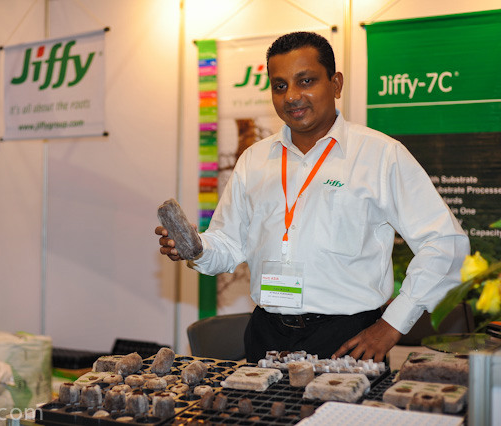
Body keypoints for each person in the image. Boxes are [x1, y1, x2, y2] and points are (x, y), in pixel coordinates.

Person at [155, 31, 470, 363]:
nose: (292, 96)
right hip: (266, 335)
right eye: (280, 86)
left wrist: (392, 324)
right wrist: (197, 247)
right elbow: (230, 243)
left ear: (336, 84)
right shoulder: (254, 160)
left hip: (348, 339)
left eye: (306, 81)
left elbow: (445, 243)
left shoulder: (380, 155)